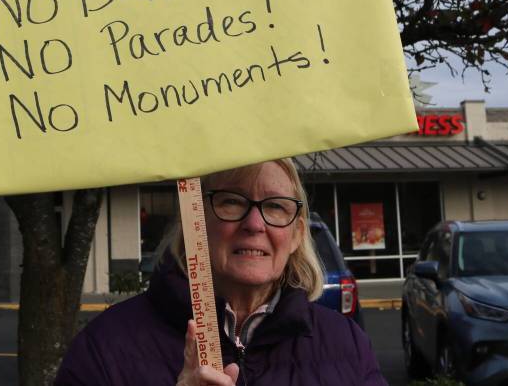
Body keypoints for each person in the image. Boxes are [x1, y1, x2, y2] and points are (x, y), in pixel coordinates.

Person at [55, 158, 386, 385]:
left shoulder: (347, 345)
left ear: (298, 234)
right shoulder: (105, 346)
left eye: (275, 206)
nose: (254, 224)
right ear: (195, 219)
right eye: (232, 202)